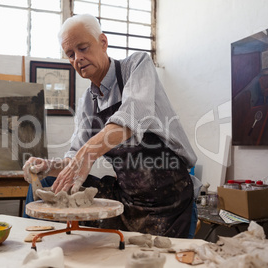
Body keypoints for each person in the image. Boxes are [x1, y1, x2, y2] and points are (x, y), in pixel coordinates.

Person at [23, 14, 197, 238]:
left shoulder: (137, 66)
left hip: (169, 202)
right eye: (70, 54)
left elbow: (133, 118)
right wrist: (47, 166)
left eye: (83, 48)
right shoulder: (88, 101)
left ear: (103, 43)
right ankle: (31, 244)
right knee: (47, 181)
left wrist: (88, 152)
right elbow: (74, 159)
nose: (78, 58)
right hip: (127, 200)